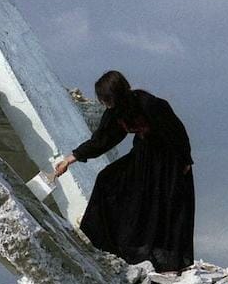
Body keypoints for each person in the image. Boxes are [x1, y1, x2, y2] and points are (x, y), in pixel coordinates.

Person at [53, 70, 195, 273]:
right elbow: (102, 140)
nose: (104, 104)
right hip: (143, 157)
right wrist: (71, 158)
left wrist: (185, 159)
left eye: (106, 99)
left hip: (167, 161)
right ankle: (103, 241)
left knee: (161, 205)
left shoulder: (149, 104)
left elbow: (177, 131)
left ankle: (163, 259)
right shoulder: (116, 113)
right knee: (107, 179)